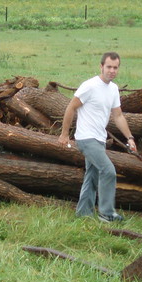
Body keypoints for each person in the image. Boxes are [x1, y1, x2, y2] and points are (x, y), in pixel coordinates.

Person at [58, 52, 136, 223]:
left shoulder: (113, 89)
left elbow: (118, 116)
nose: (112, 71)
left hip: (100, 139)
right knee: (108, 171)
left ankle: (83, 213)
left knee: (92, 176)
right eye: (109, 67)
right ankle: (106, 213)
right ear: (101, 67)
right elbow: (71, 107)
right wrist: (64, 134)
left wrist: (129, 137)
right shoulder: (90, 86)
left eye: (115, 67)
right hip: (86, 138)